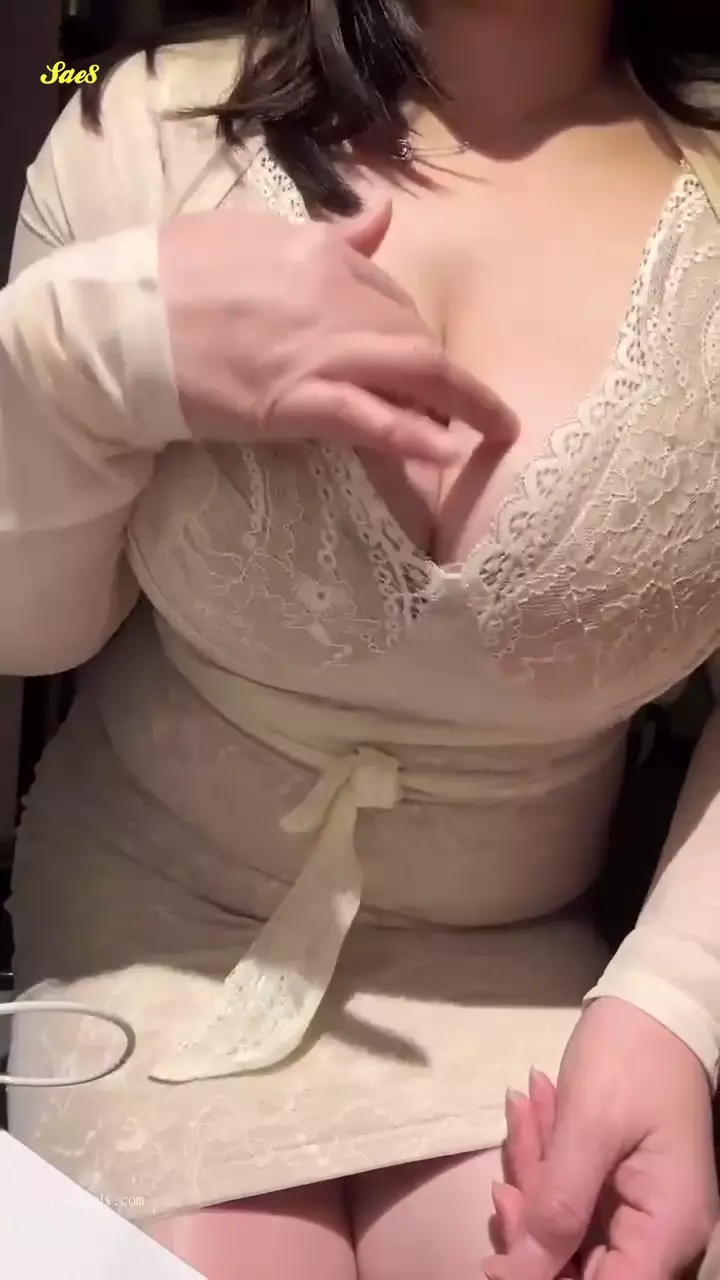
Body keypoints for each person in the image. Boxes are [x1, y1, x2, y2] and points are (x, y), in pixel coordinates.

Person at [1, 1, 719, 1276]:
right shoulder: (150, 134)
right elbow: (29, 629)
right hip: (150, 925)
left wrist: (678, 996)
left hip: (530, 971)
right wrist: (76, 357)